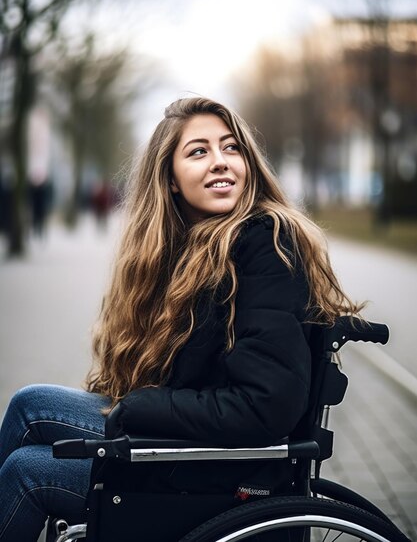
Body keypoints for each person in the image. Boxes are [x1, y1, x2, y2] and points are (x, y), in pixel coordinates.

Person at [0, 97, 362, 541]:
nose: (221, 162)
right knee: (28, 403)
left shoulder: (265, 243)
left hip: (223, 470)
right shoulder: (196, 247)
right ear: (170, 179)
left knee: (25, 472)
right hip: (190, 443)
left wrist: (139, 407)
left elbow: (265, 404)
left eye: (232, 148)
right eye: (199, 151)